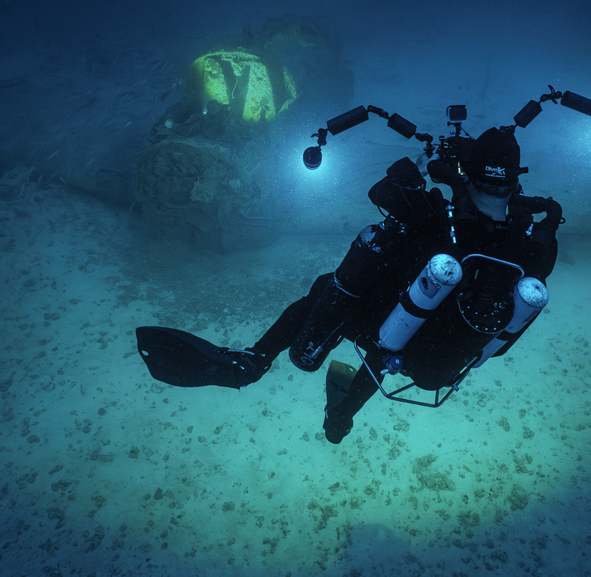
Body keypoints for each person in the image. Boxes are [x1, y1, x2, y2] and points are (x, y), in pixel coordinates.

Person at [136, 126, 562, 443]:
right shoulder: (532, 245)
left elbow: (384, 191)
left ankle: (252, 362)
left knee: (332, 288)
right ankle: (341, 418)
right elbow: (530, 278)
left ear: (468, 174)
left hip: (389, 324)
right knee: (394, 339)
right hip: (441, 358)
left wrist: (425, 172)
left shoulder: (433, 218)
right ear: (515, 182)